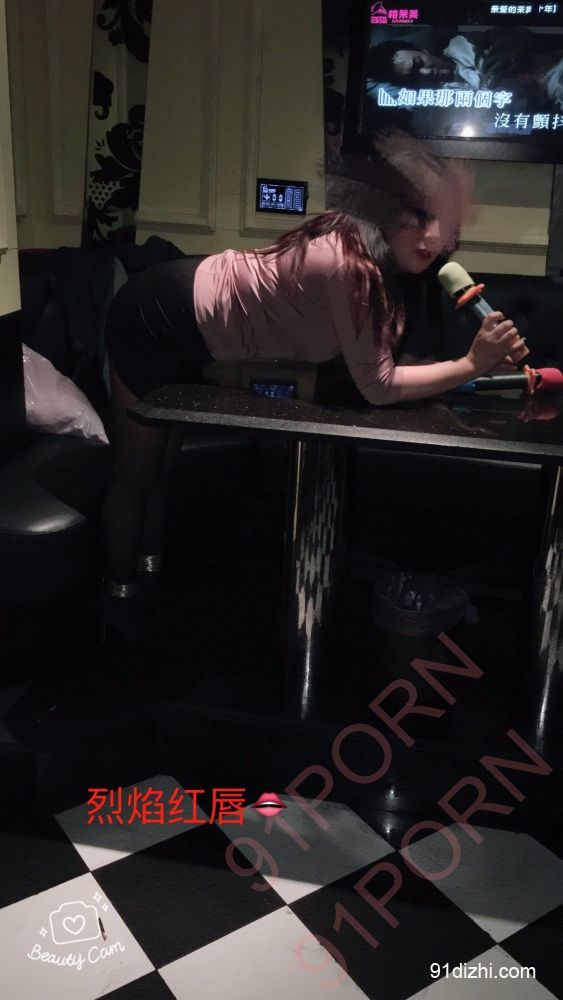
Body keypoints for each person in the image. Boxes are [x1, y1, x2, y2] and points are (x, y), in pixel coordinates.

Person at [102, 132, 528, 643]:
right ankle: (117, 605)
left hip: (198, 329)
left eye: (447, 223)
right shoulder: (349, 265)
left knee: (164, 464)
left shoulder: (381, 255)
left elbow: (387, 358)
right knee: (137, 472)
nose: (434, 237)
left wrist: (477, 362)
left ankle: (149, 573)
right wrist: (472, 363)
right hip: (154, 316)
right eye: (419, 215)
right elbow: (379, 386)